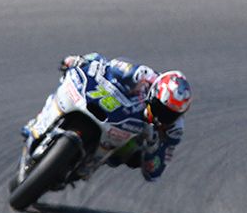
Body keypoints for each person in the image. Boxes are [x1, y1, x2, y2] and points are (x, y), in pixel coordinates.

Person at [22, 52, 192, 181]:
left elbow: (154, 173)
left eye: (171, 115)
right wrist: (80, 60)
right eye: (161, 109)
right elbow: (104, 63)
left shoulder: (174, 130)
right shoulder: (142, 75)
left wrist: (152, 147)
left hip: (129, 136)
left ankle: (90, 162)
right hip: (116, 109)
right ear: (154, 94)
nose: (164, 116)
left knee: (133, 156)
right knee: (70, 83)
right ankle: (40, 123)